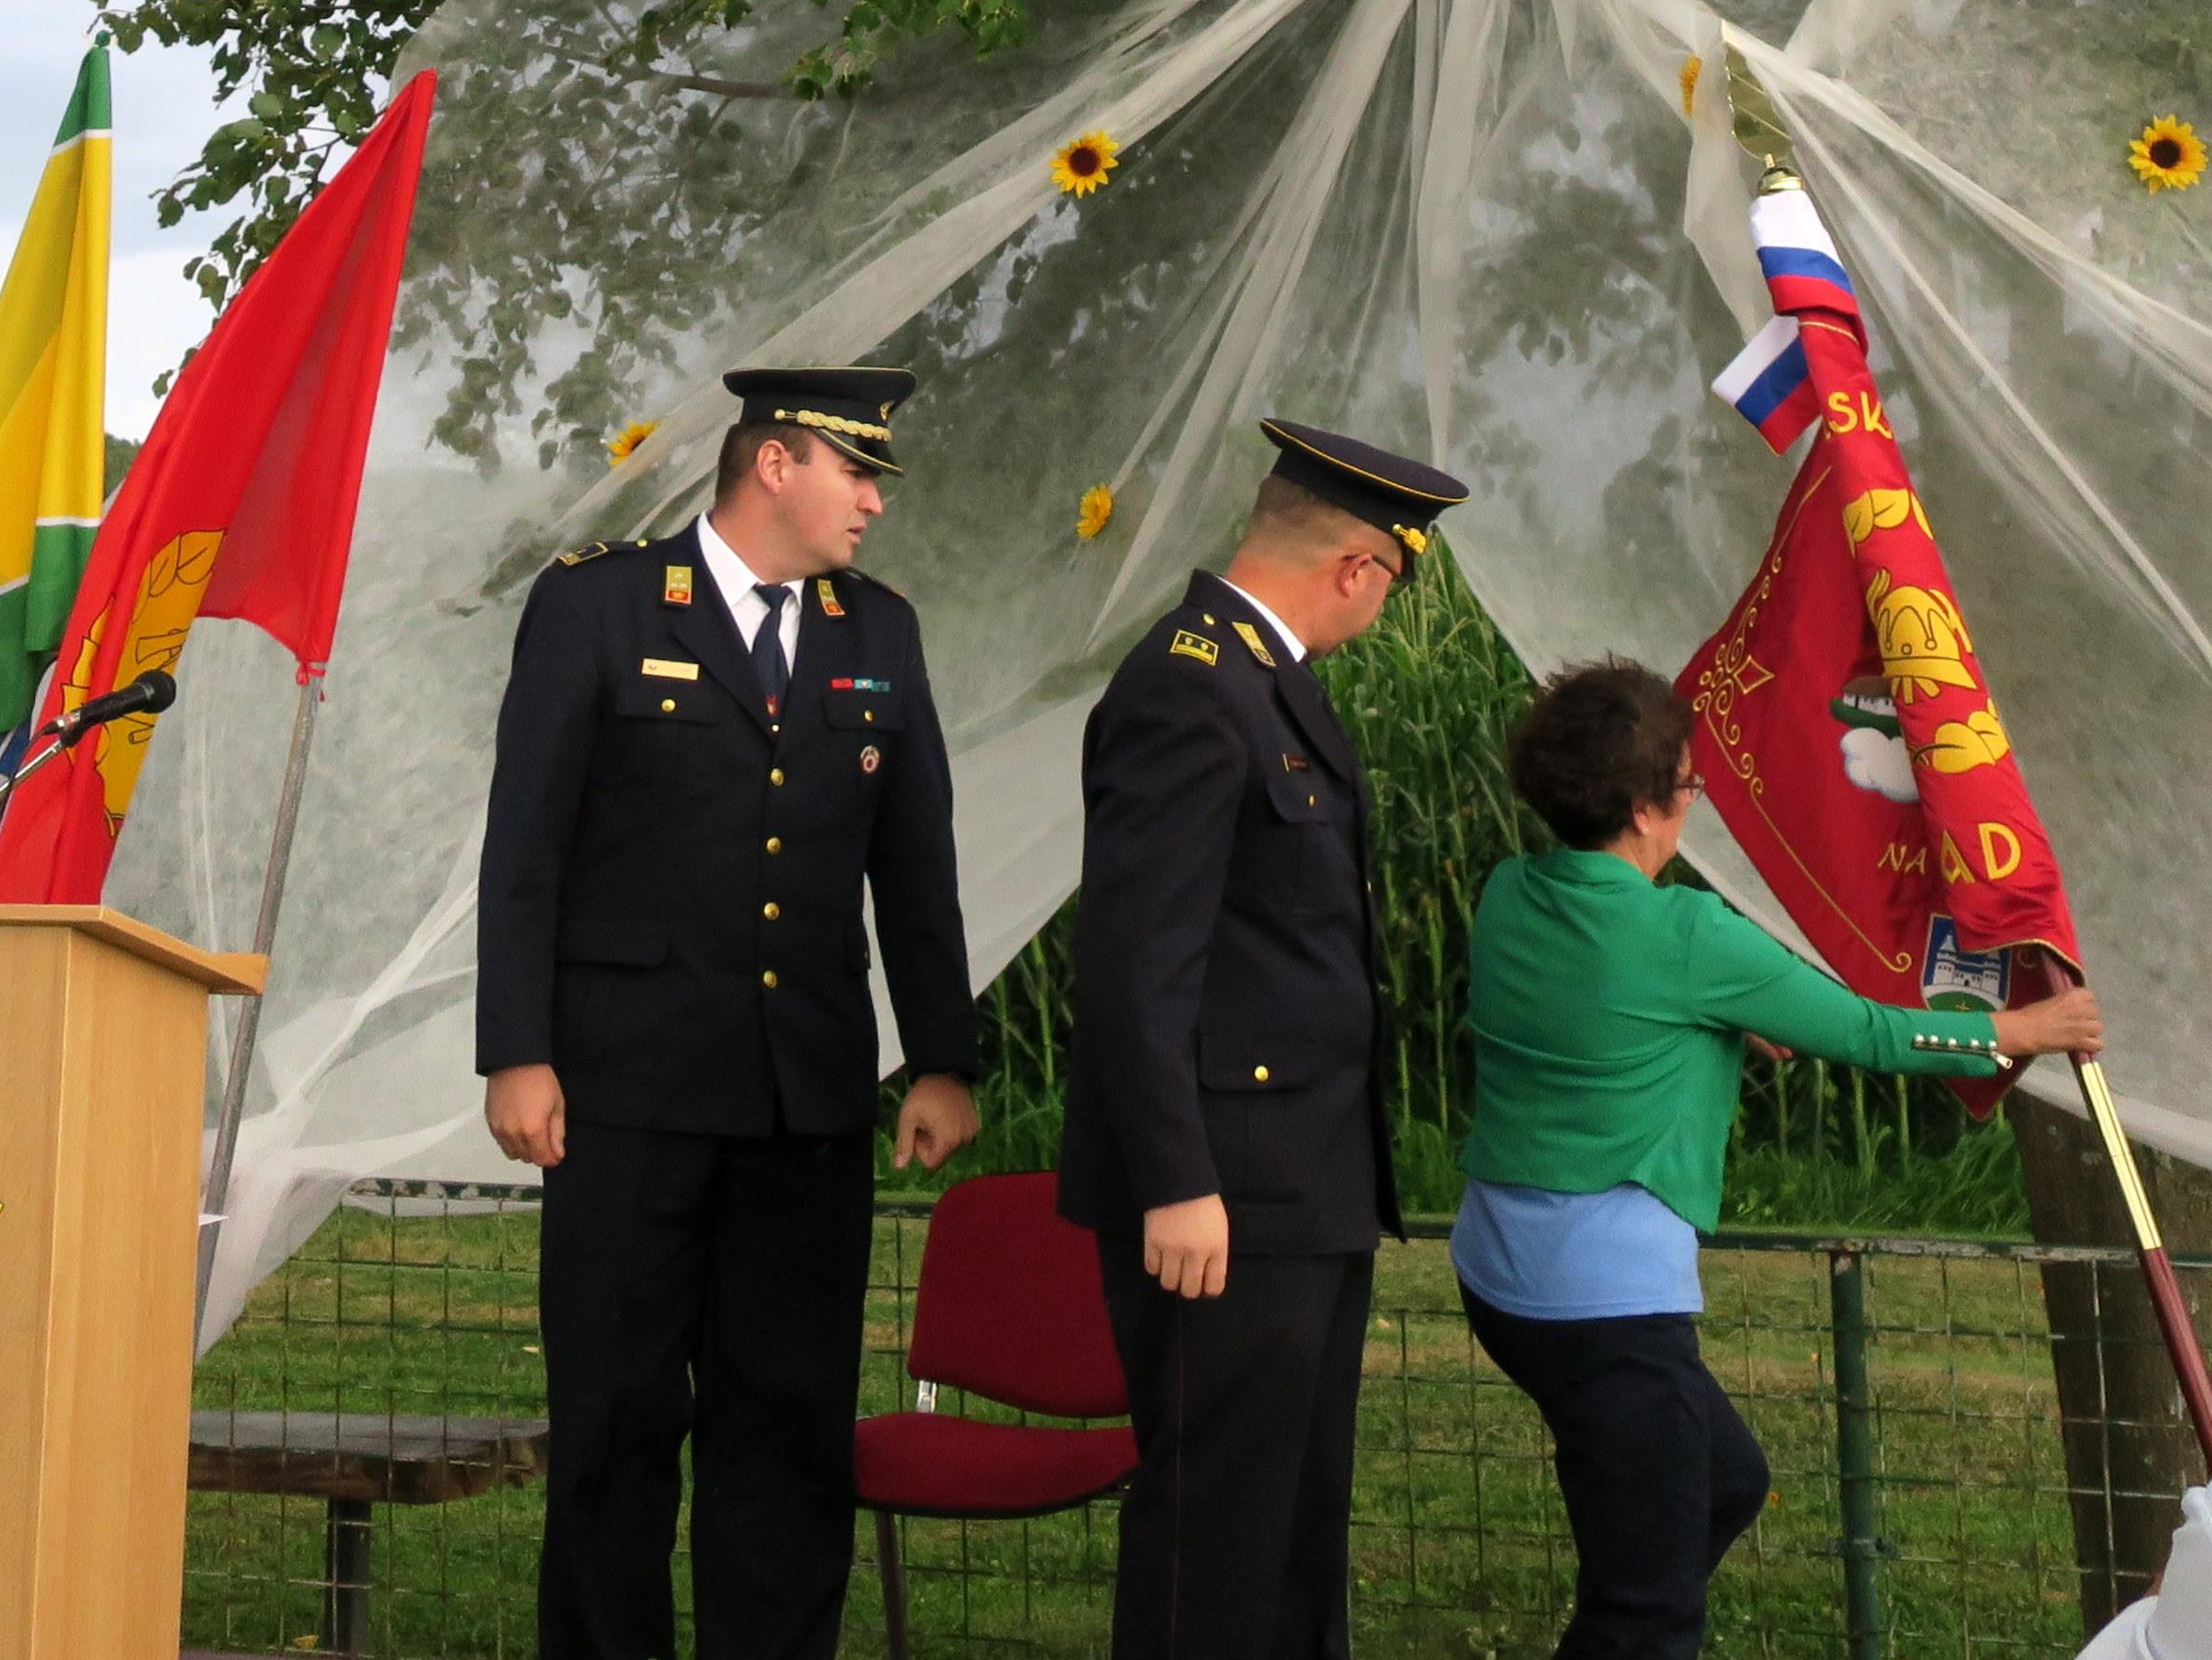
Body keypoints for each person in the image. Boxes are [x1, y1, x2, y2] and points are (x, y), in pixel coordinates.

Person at [477, 366, 982, 1660]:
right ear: (774, 465)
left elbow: (913, 860)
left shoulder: (880, 632)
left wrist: (942, 1058)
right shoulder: (598, 604)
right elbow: (526, 844)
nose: (873, 501)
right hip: (625, 1095)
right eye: (855, 472)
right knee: (616, 1424)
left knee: (789, 1428)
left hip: (801, 1101)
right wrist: (517, 1051)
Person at [1455, 661, 2101, 1659]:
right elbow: (1871, 1033)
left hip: (1501, 1284)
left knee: (1724, 1482)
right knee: (1649, 1612)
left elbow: (1598, 1008)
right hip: (1605, 1312)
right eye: (1687, 784)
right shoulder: (1690, 934)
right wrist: (2018, 1029)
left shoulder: (1509, 893)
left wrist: (1717, 1019)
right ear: (1643, 808)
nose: (1692, 802)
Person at [1059, 415, 1469, 1660]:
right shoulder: (1192, 687)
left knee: (1292, 1523)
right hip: (1226, 1190)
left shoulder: (1262, 682)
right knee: (1217, 1533)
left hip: (1300, 1177)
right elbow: (1137, 964)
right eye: (1392, 582)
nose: (1383, 608)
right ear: (1359, 567)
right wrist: (1177, 1180)